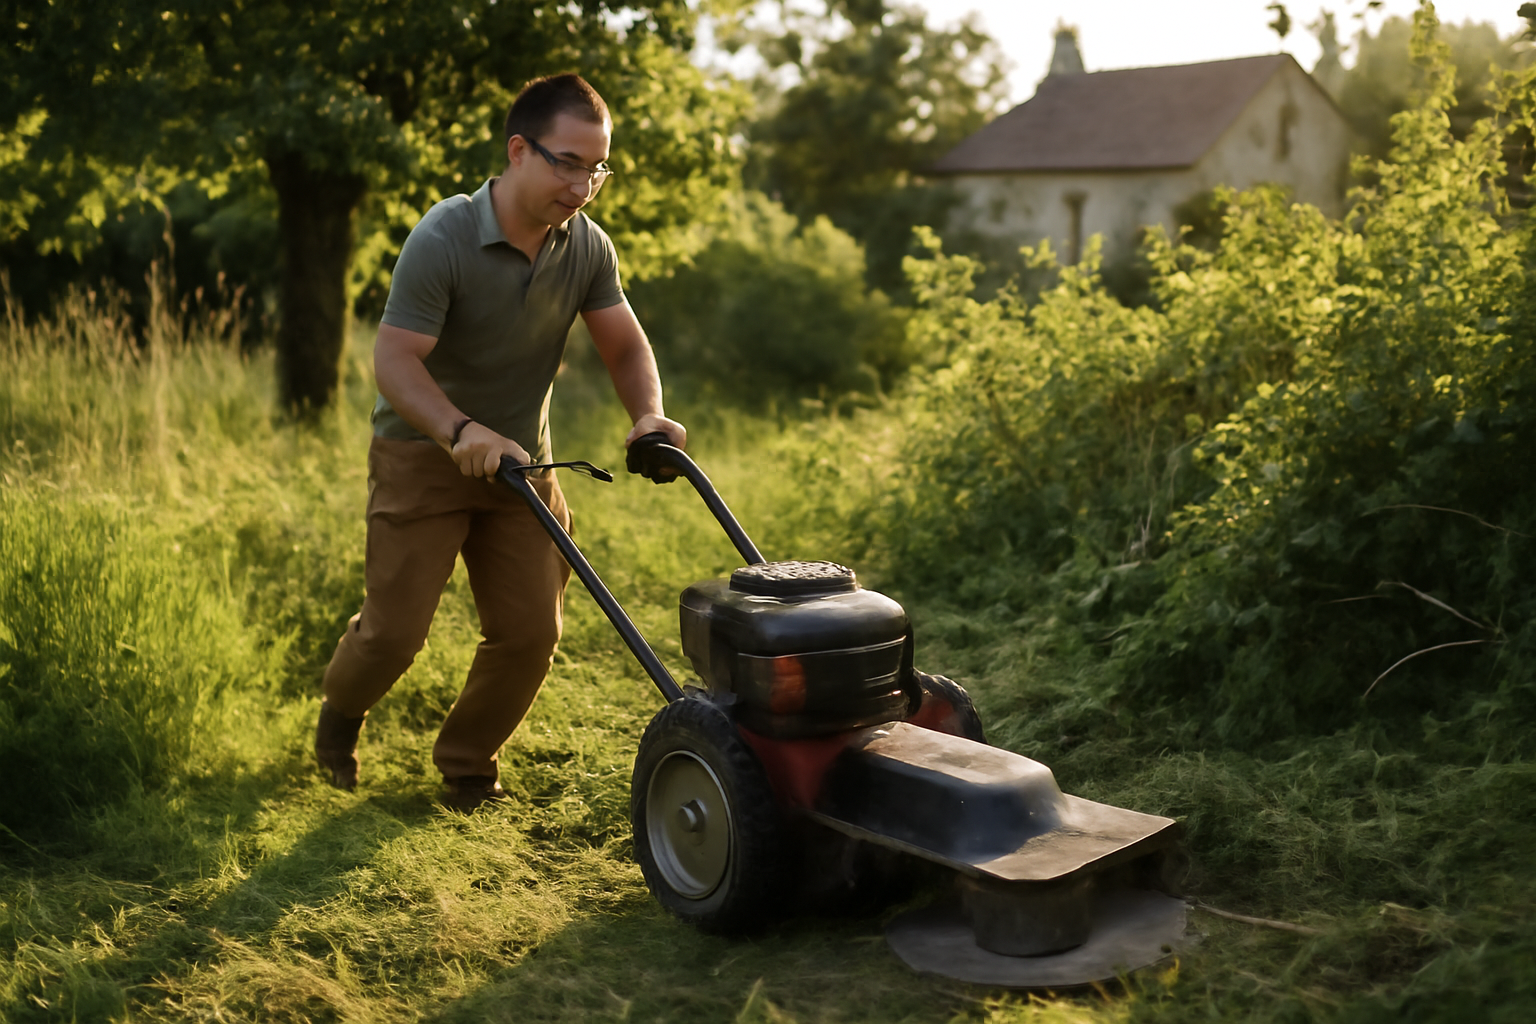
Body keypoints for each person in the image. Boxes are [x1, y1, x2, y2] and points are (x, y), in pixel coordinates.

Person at [314, 73, 686, 810]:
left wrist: (648, 414)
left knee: (529, 632)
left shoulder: (586, 247)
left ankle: (467, 766)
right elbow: (394, 362)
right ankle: (339, 718)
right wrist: (459, 429)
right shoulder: (445, 235)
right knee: (393, 636)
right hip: (423, 456)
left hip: (522, 465)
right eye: (567, 163)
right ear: (519, 151)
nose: (583, 186)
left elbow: (625, 348)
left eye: (597, 168)